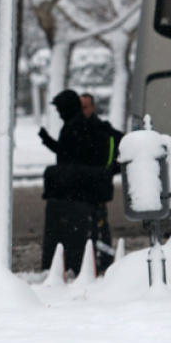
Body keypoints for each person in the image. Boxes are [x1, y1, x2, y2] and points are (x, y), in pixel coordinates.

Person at [38, 90, 113, 276]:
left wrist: (69, 177)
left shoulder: (80, 127)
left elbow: (75, 158)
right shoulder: (74, 126)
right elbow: (66, 154)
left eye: (60, 109)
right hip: (77, 190)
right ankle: (91, 260)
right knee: (88, 228)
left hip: (80, 192)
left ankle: (98, 261)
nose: (58, 112)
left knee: (91, 228)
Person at [80, 93, 125, 270]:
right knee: (81, 226)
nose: (81, 111)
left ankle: (103, 262)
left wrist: (107, 171)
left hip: (97, 188)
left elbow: (119, 144)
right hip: (79, 190)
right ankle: (85, 262)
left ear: (92, 108)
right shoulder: (73, 129)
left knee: (99, 225)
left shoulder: (102, 129)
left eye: (84, 107)